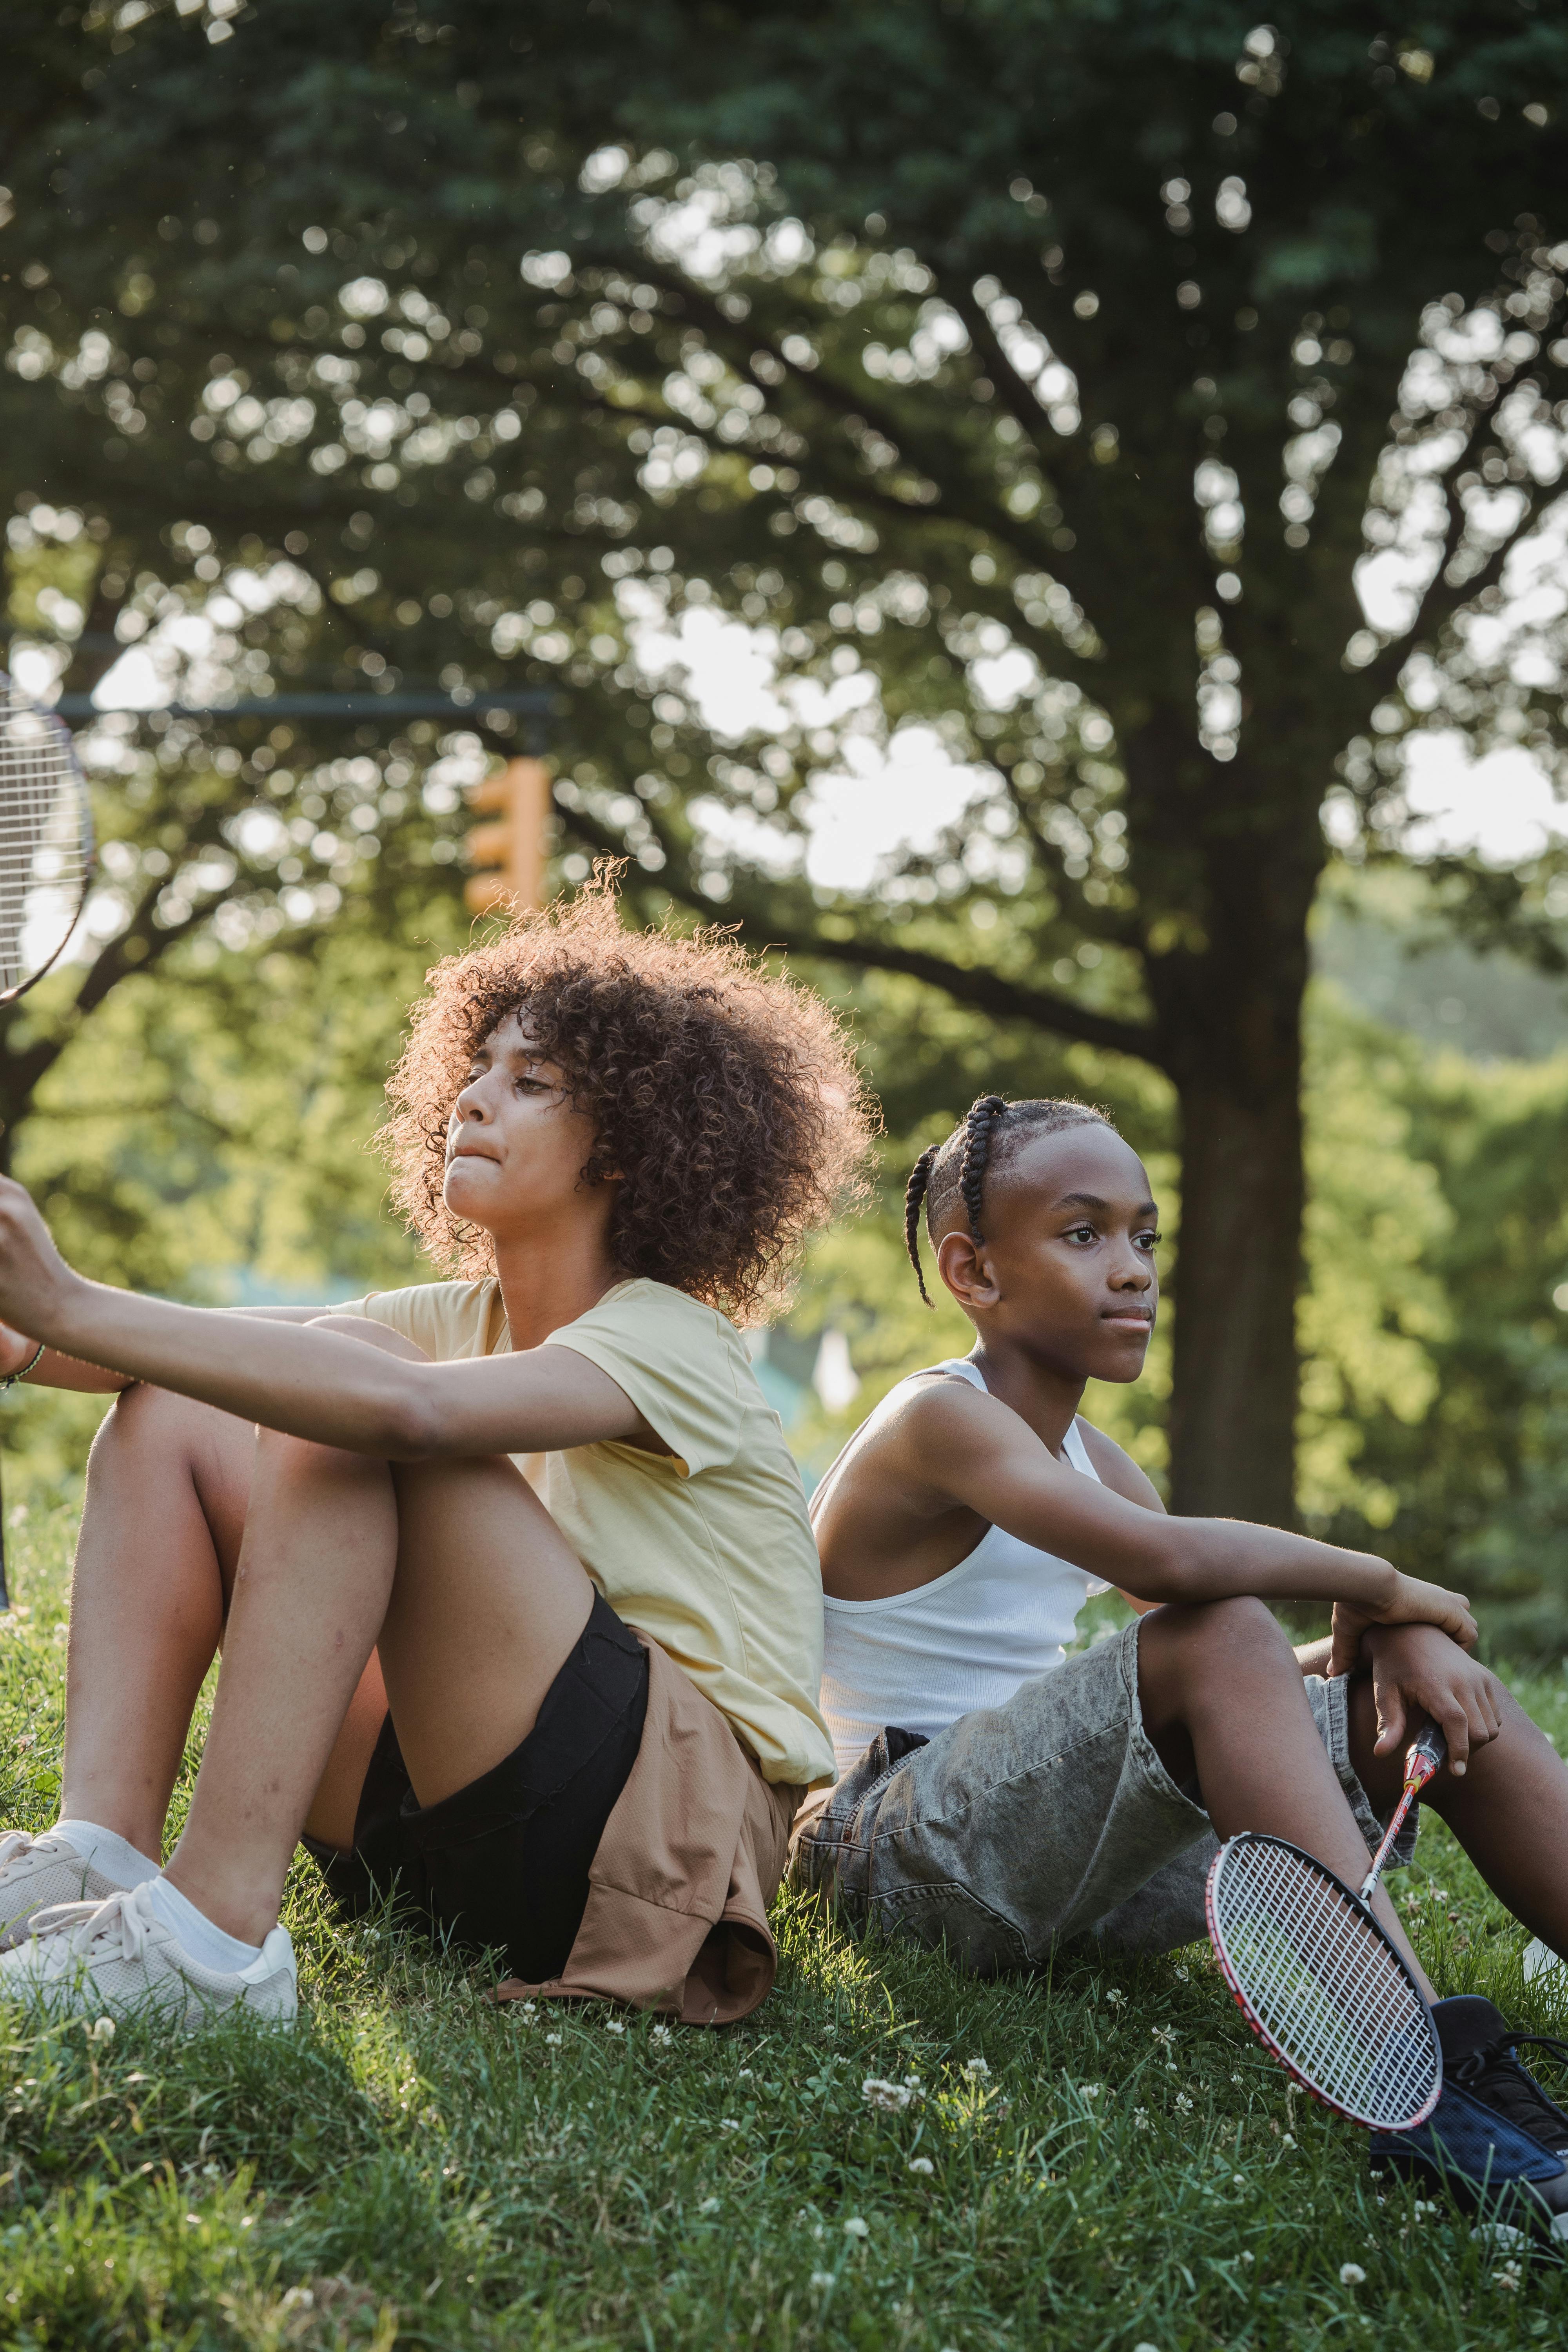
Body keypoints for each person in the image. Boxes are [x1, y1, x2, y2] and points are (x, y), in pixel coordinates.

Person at [0, 880, 869, 2029]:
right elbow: (173, 1364)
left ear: (631, 1144)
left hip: (650, 1839)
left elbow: (401, 1415)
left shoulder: (674, 1335)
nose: (472, 1099)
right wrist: (25, 1336)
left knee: (354, 1396)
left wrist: (66, 1294)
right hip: (451, 1827)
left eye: (531, 1082)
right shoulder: (453, 1322)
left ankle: (209, 1946)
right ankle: (103, 1852)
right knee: (174, 1407)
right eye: (475, 1071)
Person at [792, 1092, 1568, 2226]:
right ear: (974, 1273)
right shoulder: (937, 1422)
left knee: (1422, 1689)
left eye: (1144, 1237)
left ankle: (1448, 2051)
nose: (1133, 1269)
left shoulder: (1090, 1457)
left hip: (1053, 1860)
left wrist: (1385, 1649)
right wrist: (1381, 1583)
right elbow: (1179, 1582)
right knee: (1224, 1622)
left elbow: (1231, 1685)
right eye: (1082, 1233)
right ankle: (1422, 2085)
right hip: (893, 1853)